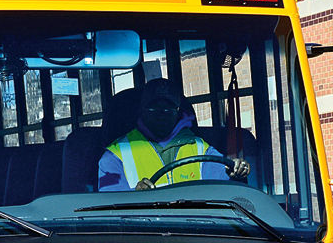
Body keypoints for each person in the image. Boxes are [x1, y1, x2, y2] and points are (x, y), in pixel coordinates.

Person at [97, 78, 250, 191]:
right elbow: (109, 205)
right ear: (141, 111)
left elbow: (223, 188)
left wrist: (235, 172)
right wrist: (135, 195)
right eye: (154, 108)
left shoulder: (199, 147)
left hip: (198, 229)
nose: (161, 115)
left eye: (168, 109)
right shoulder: (115, 155)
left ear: (178, 112)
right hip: (142, 232)